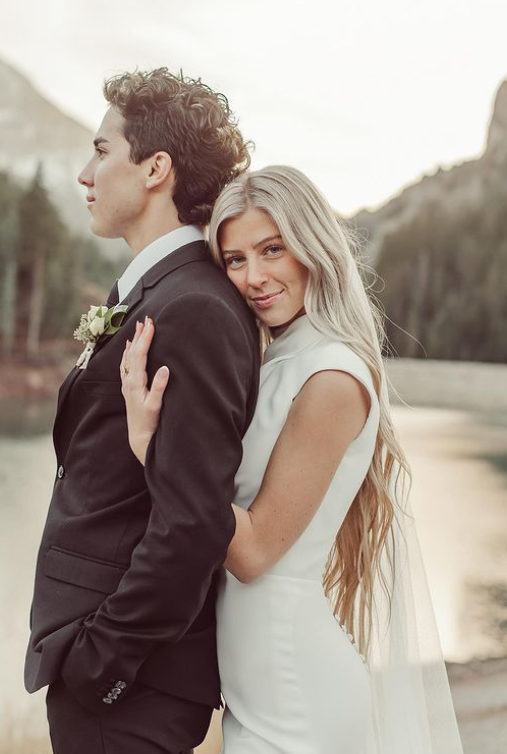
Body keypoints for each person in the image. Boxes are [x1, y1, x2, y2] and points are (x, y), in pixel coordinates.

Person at [121, 166, 466, 753]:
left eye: (272, 250)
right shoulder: (277, 361)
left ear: (312, 247)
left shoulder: (332, 375)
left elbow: (253, 552)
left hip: (295, 693)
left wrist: (154, 450)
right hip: (256, 692)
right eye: (234, 260)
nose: (254, 277)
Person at [24, 68, 260, 754]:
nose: (84, 173)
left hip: (131, 690)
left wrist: (102, 666)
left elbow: (193, 522)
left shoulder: (193, 309)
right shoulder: (158, 294)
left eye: (101, 151)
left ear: (156, 168)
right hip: (106, 676)